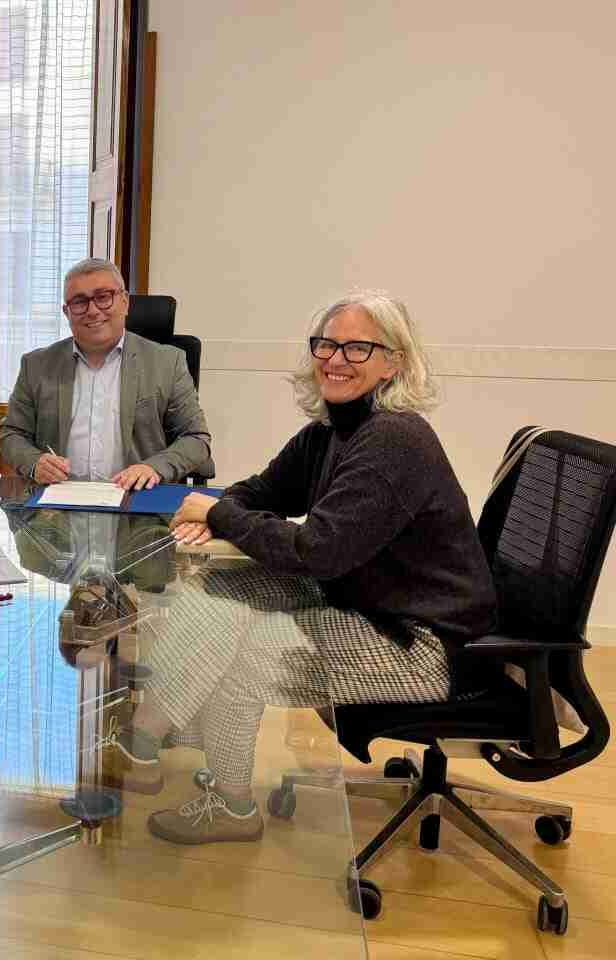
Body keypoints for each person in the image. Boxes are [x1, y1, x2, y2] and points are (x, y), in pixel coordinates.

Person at [123, 291, 497, 846]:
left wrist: (221, 514)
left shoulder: (394, 439)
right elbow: (265, 490)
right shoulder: (332, 430)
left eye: (357, 347)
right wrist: (221, 515)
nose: (335, 358)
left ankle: (225, 802)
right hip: (362, 597)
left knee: (244, 657)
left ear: (393, 361)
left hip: (419, 638)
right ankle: (153, 733)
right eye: (326, 343)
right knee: (221, 588)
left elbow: (315, 551)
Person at [0, 258, 214, 490]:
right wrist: (34, 462)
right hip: (56, 506)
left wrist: (153, 468)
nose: (92, 311)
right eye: (79, 302)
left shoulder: (167, 363)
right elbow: (12, 433)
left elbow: (196, 438)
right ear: (66, 312)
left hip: (137, 503)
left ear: (125, 301)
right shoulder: (37, 365)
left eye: (103, 297)